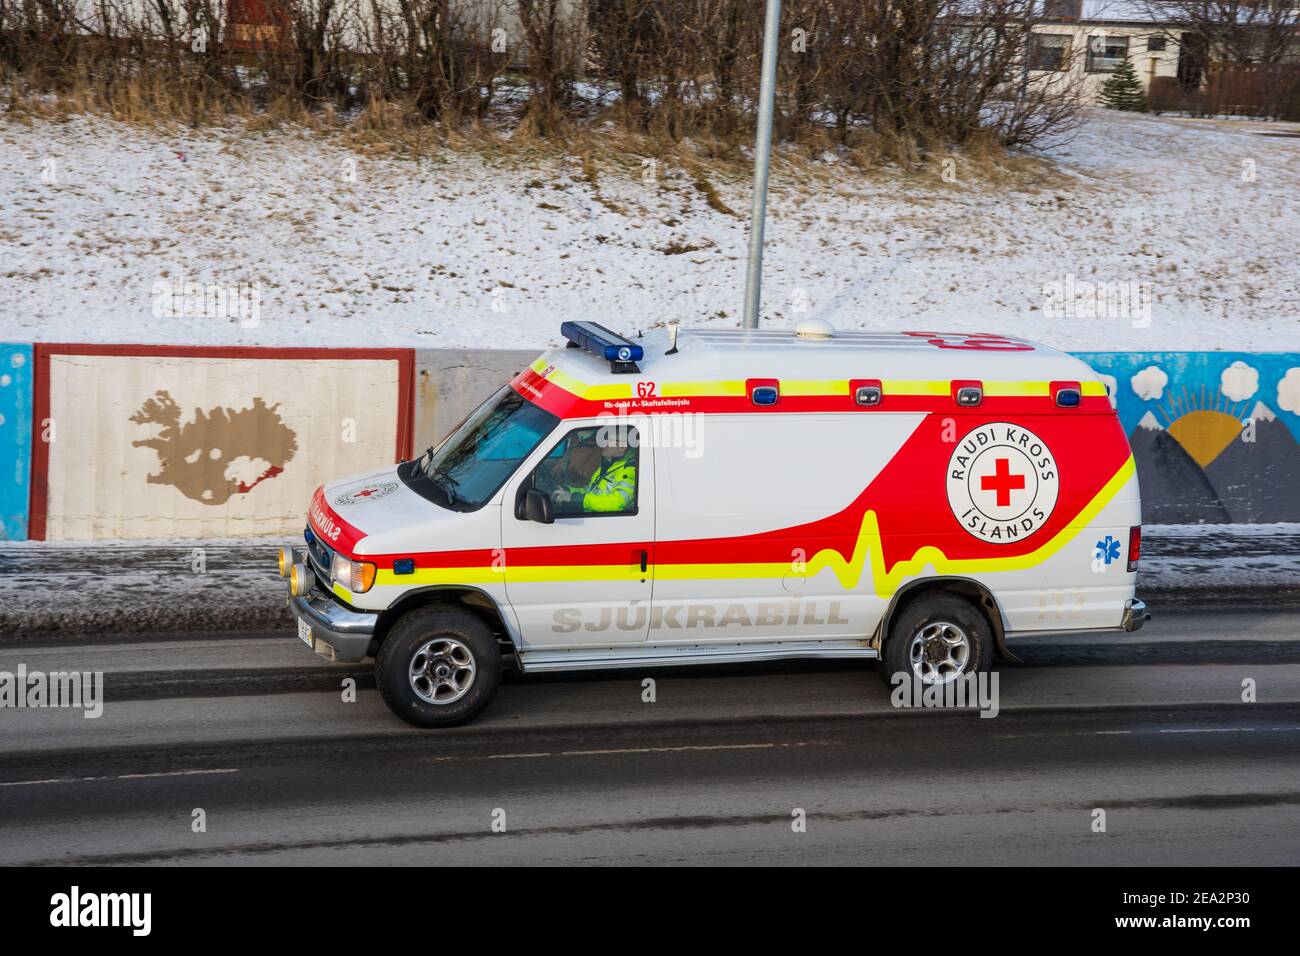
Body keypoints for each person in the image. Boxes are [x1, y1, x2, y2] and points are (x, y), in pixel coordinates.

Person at [555, 440, 637, 513]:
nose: (604, 443)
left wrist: (576, 499)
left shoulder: (629, 470)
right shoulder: (608, 465)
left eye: (609, 440)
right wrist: (569, 490)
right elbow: (590, 490)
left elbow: (617, 502)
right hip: (592, 515)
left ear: (622, 447)